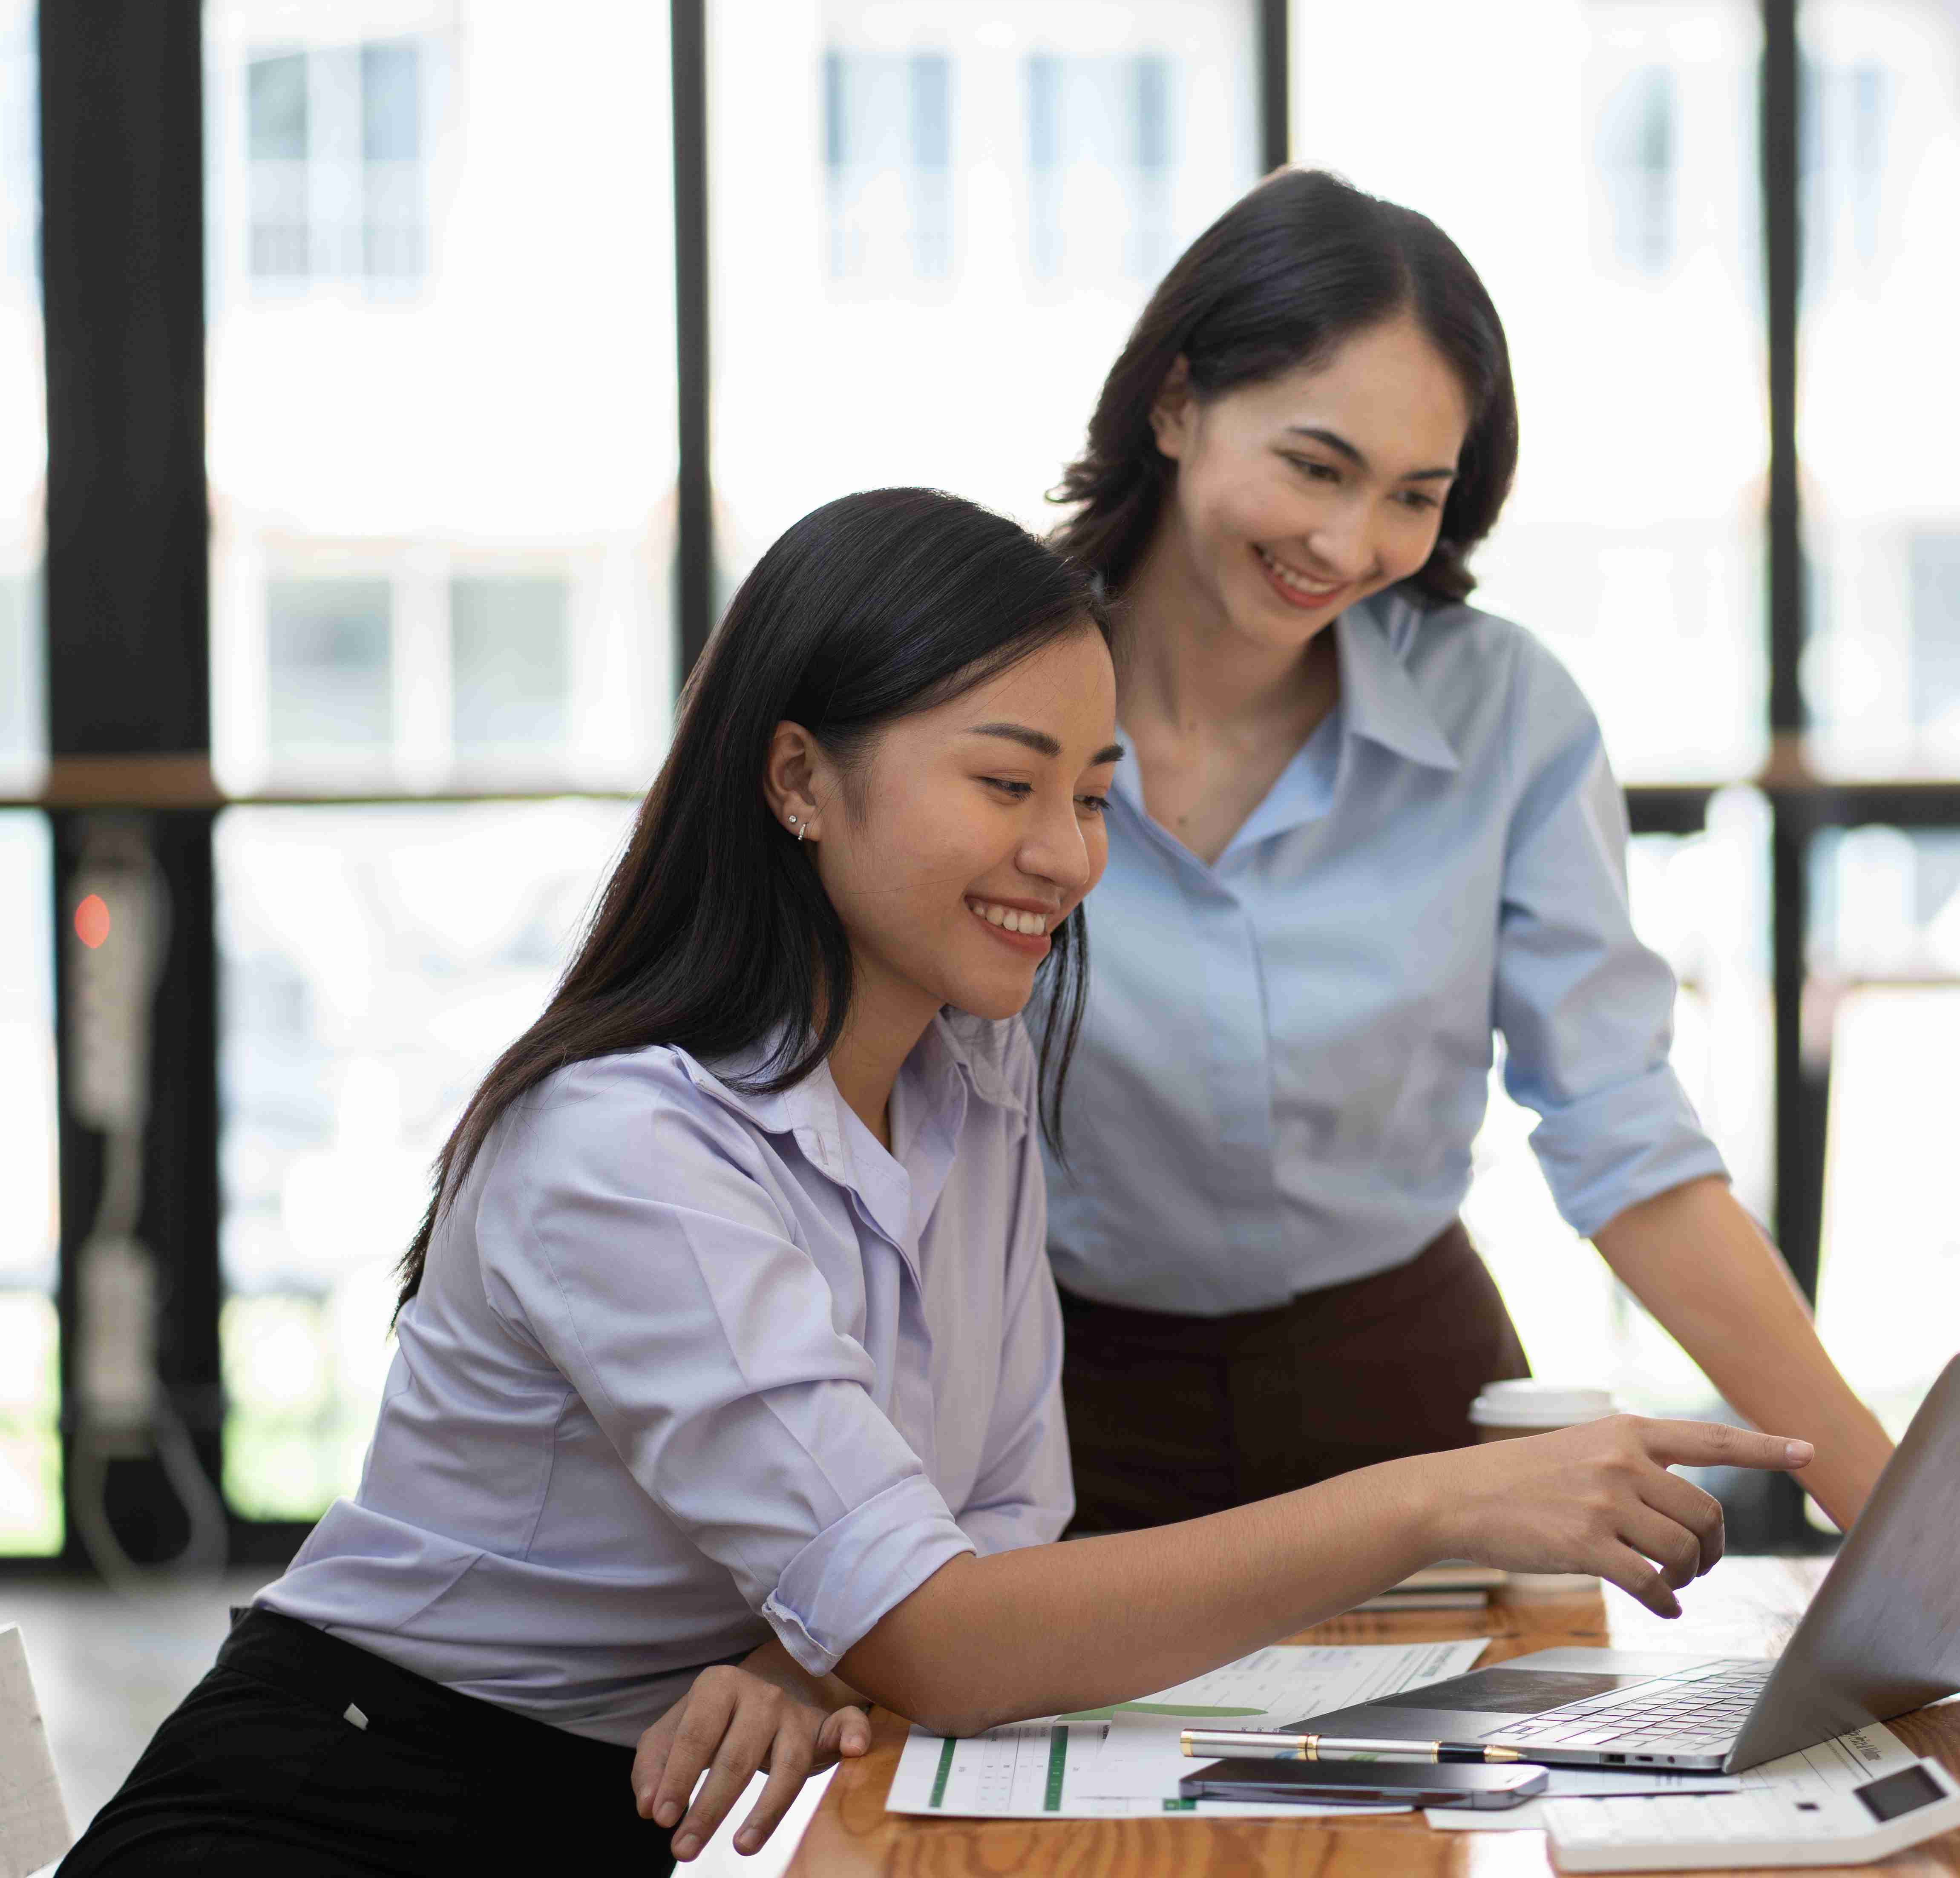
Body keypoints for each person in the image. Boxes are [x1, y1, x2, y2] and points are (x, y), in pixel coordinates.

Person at [59, 490, 1808, 1877]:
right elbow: (956, 1632)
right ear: (801, 777)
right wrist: (1436, 1501)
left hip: (589, 1821)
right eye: (1005, 782)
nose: (1065, 853)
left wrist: (825, 1659)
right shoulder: (627, 1148)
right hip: (337, 1811)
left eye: (1096, 793)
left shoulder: (970, 1096)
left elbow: (991, 1537)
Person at [1042, 169, 1898, 1536]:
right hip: (1052, 1406)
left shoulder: (1504, 712)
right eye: (1315, 467)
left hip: (1411, 1397)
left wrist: (1881, 1488)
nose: (1348, 543)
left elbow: (1620, 1127)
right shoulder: (990, 697)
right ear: (1177, 401)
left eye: (1411, 495)